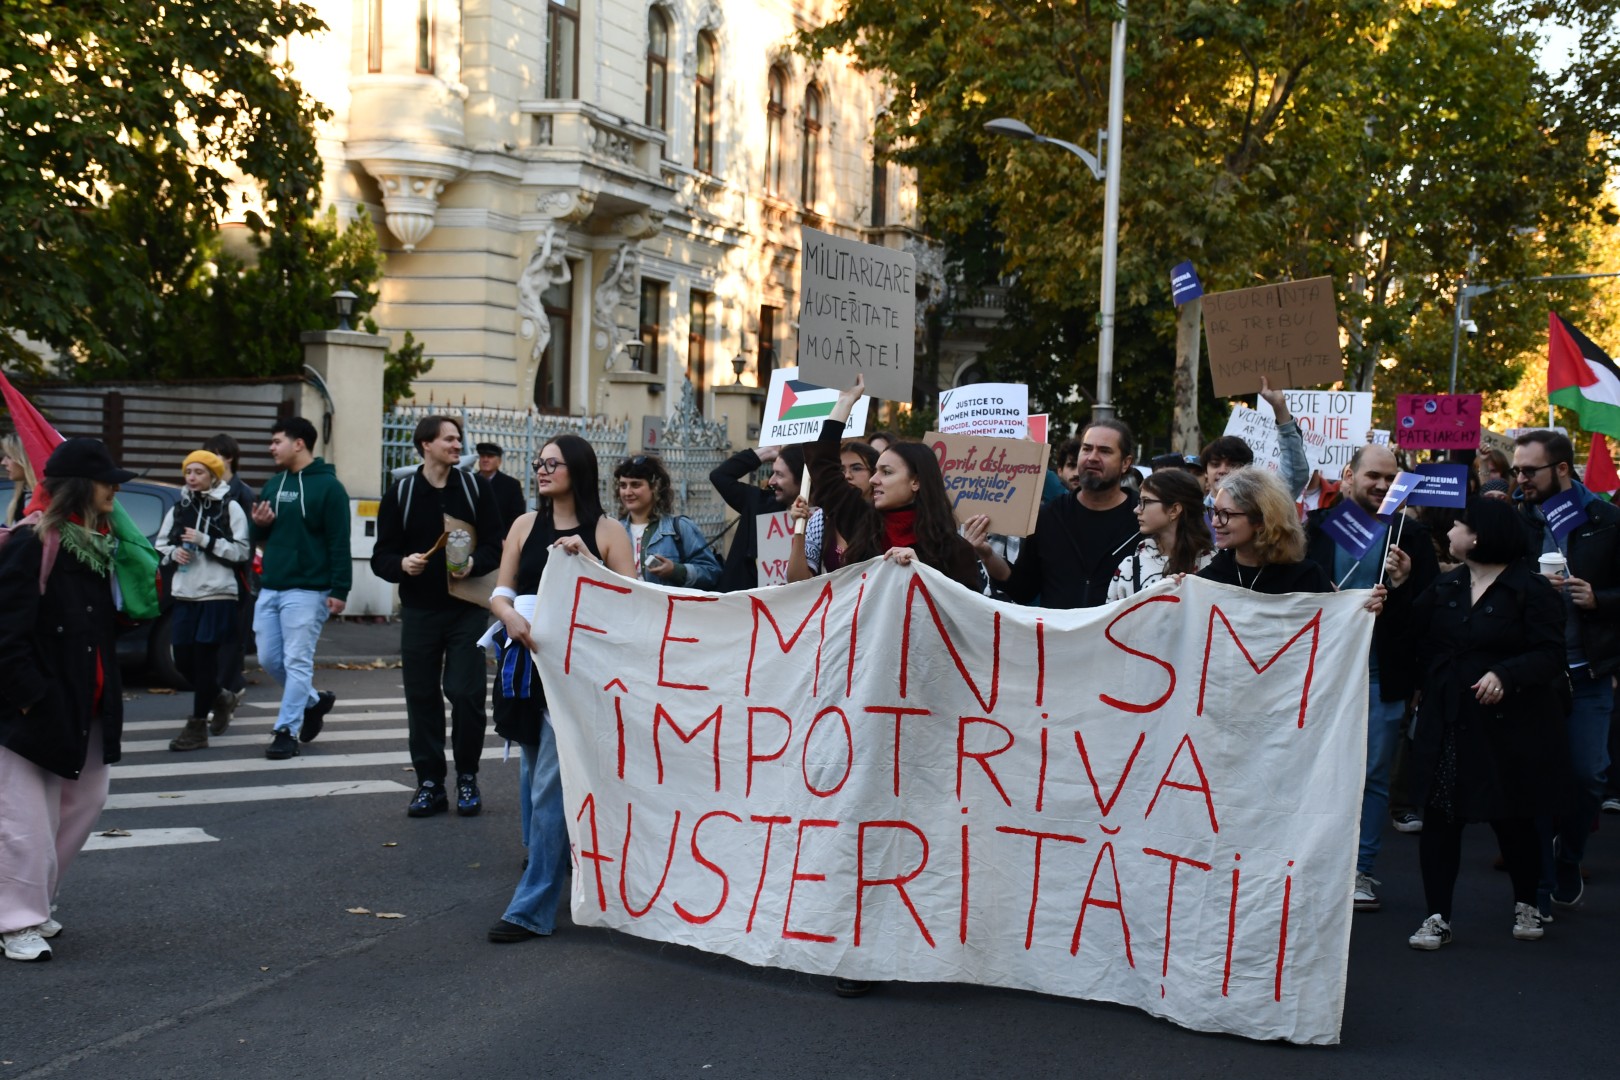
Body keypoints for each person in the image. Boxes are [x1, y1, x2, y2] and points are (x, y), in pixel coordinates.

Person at [1396, 497, 1568, 949]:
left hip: (1510, 726)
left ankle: (1526, 901)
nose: (1449, 532)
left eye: (1457, 525)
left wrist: (1505, 675)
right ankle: (1436, 915)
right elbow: (1411, 640)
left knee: (1513, 816)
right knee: (1439, 820)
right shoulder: (1445, 587)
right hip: (1448, 720)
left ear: (1477, 535)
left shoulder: (1531, 591)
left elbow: (1551, 654)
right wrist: (1397, 589)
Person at [486, 435, 633, 943]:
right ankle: (559, 865)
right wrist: (508, 617)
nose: (543, 471)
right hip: (525, 668)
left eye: (554, 463)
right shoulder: (525, 525)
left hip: (579, 675)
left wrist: (585, 562)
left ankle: (531, 907)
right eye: (539, 463)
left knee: (549, 783)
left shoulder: (607, 531)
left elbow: (631, 605)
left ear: (579, 470)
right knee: (534, 775)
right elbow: (502, 592)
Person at [0, 438, 135, 962]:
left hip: (86, 703)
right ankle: (17, 920)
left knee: (87, 800)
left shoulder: (94, 545)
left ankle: (30, 898)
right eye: (107, 482)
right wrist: (30, 698)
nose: (114, 491)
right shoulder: (34, 544)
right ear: (81, 487)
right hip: (34, 705)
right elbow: (6, 634)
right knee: (24, 819)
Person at [1301, 444, 1440, 912]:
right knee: (1314, 771)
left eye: (1389, 478)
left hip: (1383, 676)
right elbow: (1294, 594)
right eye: (1373, 476)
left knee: (1374, 775)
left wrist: (1402, 589)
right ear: (1349, 475)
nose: (1381, 485)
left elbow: (1428, 612)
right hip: (1322, 675)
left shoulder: (1410, 535)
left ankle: (1361, 869)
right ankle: (1314, 863)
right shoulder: (1318, 529)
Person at [372, 416, 503, 816]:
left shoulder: (474, 488)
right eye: (449, 439)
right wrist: (402, 564)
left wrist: (474, 565)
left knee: (465, 694)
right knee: (422, 696)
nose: (456, 444)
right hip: (419, 611)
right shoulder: (403, 493)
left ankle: (467, 776)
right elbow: (382, 556)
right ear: (425, 445)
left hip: (465, 611)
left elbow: (496, 545)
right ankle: (429, 782)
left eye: (457, 438)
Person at [1511, 428, 1620, 907]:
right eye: (1515, 470)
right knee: (1534, 778)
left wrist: (1600, 598)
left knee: (1588, 775)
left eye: (1528, 471)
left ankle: (1569, 854)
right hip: (1538, 672)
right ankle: (1539, 884)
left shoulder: (1607, 521)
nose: (1520, 479)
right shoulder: (1519, 519)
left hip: (1589, 674)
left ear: (1560, 470)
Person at [251, 416, 350, 761]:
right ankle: (314, 701)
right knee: (268, 658)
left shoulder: (329, 488)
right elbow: (258, 536)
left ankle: (285, 730)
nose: (271, 447)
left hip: (309, 590)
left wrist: (340, 589)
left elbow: (340, 541)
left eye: (277, 441)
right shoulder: (274, 484)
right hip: (272, 586)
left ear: (299, 443)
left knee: (296, 660)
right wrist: (257, 526)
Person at [984, 418, 1141, 608]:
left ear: (1126, 463)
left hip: (1120, 636)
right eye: (1086, 448)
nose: (1092, 457)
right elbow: (1024, 590)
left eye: (1104, 451)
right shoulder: (1049, 516)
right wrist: (987, 555)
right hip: (1056, 636)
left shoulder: (1143, 518)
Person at [156, 451, 252, 751]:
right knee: (183, 657)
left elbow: (241, 551)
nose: (192, 478)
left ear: (213, 475)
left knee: (204, 658)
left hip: (218, 594)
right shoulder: (179, 507)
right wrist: (174, 553)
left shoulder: (230, 507)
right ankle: (222, 696)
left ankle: (197, 726)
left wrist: (205, 541)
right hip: (185, 592)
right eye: (188, 472)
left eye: (199, 472)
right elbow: (161, 544)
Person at [1196, 467, 1335, 595]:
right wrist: (1179, 587)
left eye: (1226, 514)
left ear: (1261, 521)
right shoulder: (1207, 581)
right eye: (1214, 512)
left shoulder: (1307, 579)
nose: (1214, 522)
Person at [201, 434, 255, 733]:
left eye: (215, 455)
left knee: (229, 644)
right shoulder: (205, 492)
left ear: (229, 458)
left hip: (235, 578)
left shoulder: (242, 494)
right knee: (209, 642)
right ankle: (223, 696)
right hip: (207, 577)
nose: (210, 461)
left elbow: (245, 542)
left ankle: (227, 694)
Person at [614, 453, 721, 589]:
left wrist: (676, 571)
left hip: (666, 608)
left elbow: (712, 573)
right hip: (626, 608)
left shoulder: (679, 528)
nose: (627, 492)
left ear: (654, 487)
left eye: (635, 485)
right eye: (623, 486)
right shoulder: (615, 530)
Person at [1106, 468, 1213, 600]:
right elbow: (1113, 619)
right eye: (1139, 502)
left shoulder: (1214, 566)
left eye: (1146, 501)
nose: (1137, 510)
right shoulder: (1130, 568)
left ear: (1174, 510)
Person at [710, 441, 802, 591]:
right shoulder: (757, 502)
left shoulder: (820, 518)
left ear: (801, 479)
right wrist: (766, 453)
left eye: (779, 474)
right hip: (741, 606)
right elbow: (720, 476)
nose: (771, 481)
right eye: (773, 472)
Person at [788, 441, 879, 581]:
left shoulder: (885, 517)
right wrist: (800, 528)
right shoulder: (820, 520)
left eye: (856, 468)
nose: (847, 475)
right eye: (840, 469)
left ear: (874, 474)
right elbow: (797, 580)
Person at [475, 441, 529, 532]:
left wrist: (506, 538)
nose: (485, 460)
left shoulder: (511, 485)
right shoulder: (471, 481)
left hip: (500, 540)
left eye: (490, 456)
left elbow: (517, 516)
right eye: (482, 456)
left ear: (499, 461)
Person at [3, 433, 37, 527]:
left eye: (9, 457)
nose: (3, 462)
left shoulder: (44, 499)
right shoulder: (22, 492)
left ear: (24, 459)